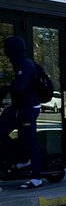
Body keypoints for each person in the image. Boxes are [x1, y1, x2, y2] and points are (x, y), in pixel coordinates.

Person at [0, 35, 43, 188]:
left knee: (30, 140)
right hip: (17, 107)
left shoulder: (25, 65)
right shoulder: (17, 63)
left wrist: (4, 89)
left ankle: (36, 178)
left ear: (13, 49)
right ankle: (22, 157)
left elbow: (19, 87)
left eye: (7, 47)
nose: (5, 50)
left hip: (28, 108)